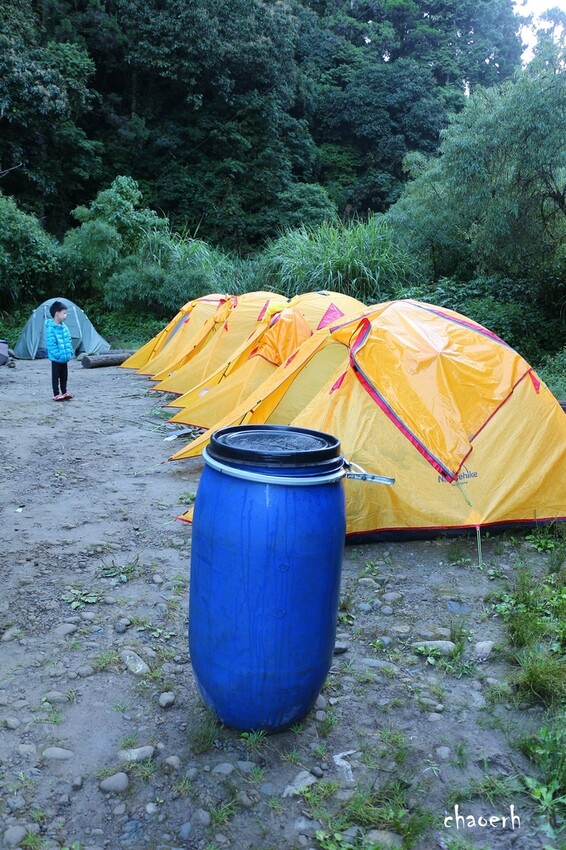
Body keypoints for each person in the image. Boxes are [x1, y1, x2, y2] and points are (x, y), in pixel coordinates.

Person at [46, 301, 74, 401]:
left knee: (64, 376)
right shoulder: (50, 329)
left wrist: (69, 352)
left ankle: (64, 391)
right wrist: (58, 355)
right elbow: (51, 345)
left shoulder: (64, 327)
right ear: (57, 314)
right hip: (56, 358)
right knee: (56, 377)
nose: (66, 315)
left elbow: (68, 340)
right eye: (64, 313)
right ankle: (56, 393)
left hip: (65, 357)